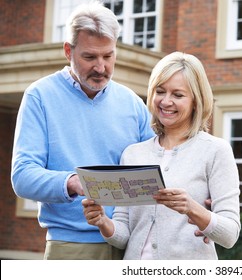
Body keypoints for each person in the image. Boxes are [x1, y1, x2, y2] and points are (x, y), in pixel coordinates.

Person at [11, 2, 155, 259]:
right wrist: (74, 183)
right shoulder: (40, 96)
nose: (100, 67)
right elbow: (22, 177)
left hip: (131, 243)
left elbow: (158, 166)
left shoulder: (132, 102)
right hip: (71, 245)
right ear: (68, 51)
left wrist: (196, 197)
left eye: (108, 56)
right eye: (90, 57)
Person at [82, 51, 241, 259]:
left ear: (196, 100)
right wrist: (103, 221)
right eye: (160, 91)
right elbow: (123, 235)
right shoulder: (133, 154)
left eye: (178, 95)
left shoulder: (215, 151)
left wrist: (192, 208)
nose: (166, 102)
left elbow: (230, 235)